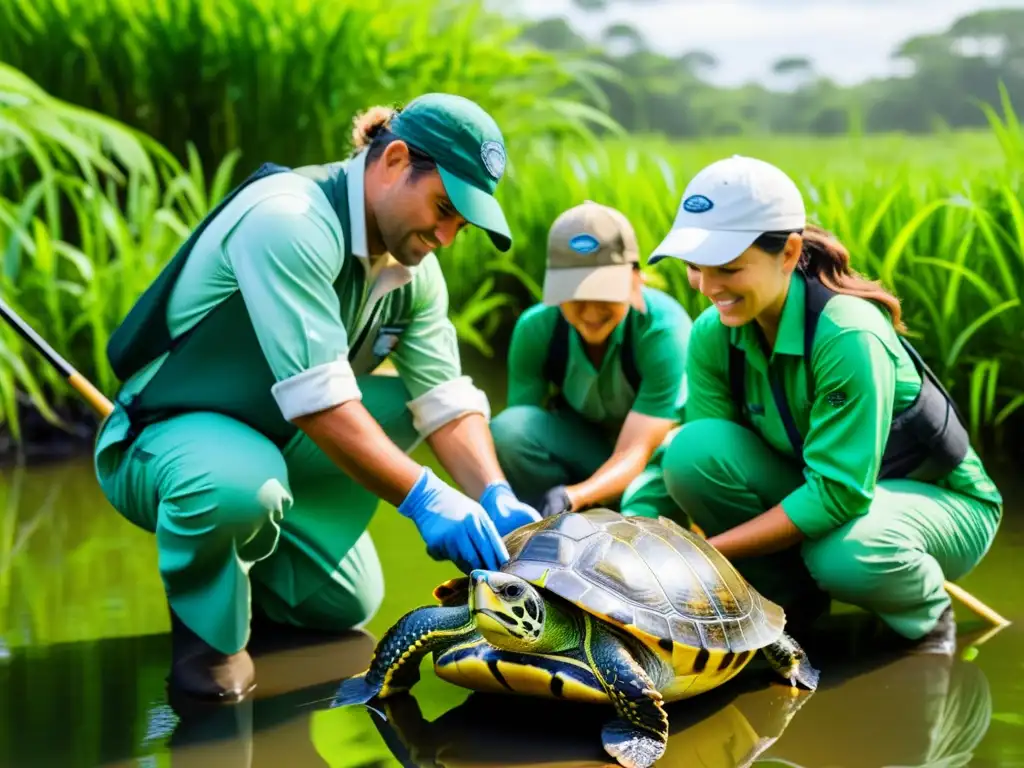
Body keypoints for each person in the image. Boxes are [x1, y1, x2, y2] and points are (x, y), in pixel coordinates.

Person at [92, 93, 541, 703]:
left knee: (343, 603)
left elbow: (444, 398)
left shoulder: (413, 268)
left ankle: (245, 574)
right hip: (169, 431)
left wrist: (495, 493)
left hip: (277, 438)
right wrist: (428, 496)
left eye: (461, 223)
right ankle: (209, 646)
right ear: (395, 160)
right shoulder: (291, 219)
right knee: (234, 489)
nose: (446, 235)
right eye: (443, 208)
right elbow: (320, 403)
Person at [645, 154, 1003, 652]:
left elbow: (839, 495)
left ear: (788, 253)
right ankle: (788, 603)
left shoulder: (846, 334)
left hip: (938, 503)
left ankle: (926, 620)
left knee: (845, 554)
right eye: (694, 267)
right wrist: (639, 538)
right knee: (691, 454)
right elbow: (706, 450)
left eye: (728, 268)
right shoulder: (714, 334)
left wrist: (705, 555)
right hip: (822, 487)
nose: (708, 288)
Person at [489, 200, 693, 520]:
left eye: (604, 292)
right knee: (508, 431)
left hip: (652, 463)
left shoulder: (664, 329)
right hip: (588, 450)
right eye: (575, 295)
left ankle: (624, 516)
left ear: (635, 279)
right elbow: (516, 432)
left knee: (664, 467)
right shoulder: (536, 328)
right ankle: (544, 525)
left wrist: (575, 496)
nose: (591, 311)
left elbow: (637, 450)